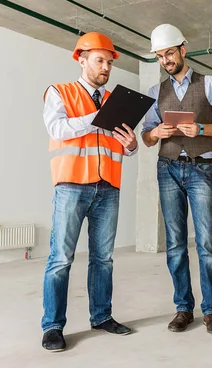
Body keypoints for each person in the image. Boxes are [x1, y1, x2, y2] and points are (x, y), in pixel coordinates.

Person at [41, 32, 138, 352]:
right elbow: (58, 129)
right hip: (71, 186)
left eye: (109, 62)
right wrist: (96, 119)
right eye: (100, 61)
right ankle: (53, 326)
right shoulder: (60, 92)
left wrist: (132, 146)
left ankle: (102, 316)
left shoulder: (117, 102)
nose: (106, 67)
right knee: (61, 259)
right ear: (81, 60)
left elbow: (118, 144)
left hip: (107, 187)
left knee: (103, 259)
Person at [141, 24, 212, 335]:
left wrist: (202, 130)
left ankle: (210, 310)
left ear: (183, 49)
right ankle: (184, 308)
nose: (166, 60)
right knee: (175, 244)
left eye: (169, 53)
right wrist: (156, 132)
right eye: (159, 56)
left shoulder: (209, 84)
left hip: (201, 169)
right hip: (167, 169)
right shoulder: (156, 93)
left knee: (207, 243)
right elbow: (146, 137)